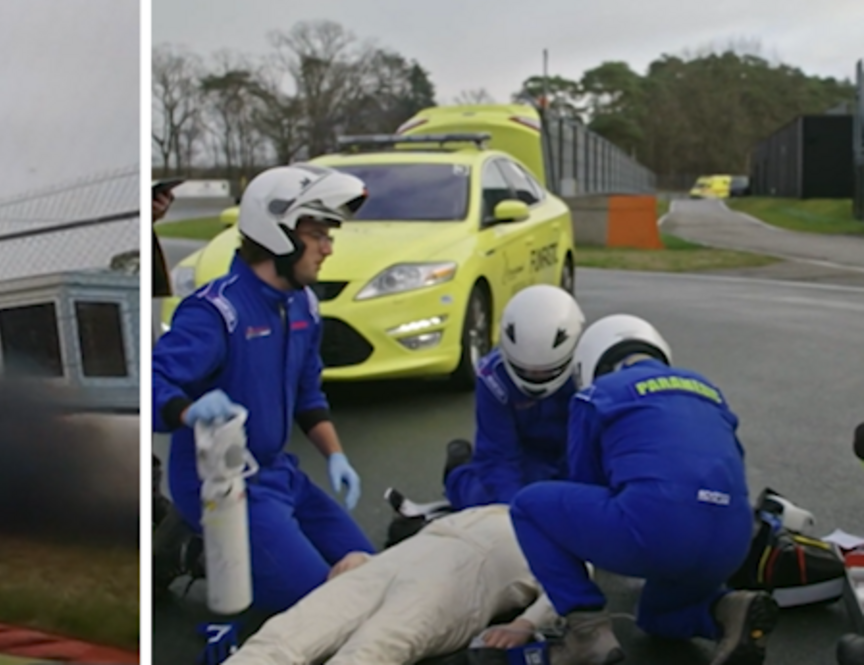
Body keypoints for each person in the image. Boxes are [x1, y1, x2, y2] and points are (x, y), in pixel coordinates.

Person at [152, 163, 374, 612]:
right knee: (320, 606)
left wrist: (336, 457)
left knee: (374, 569)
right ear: (280, 233)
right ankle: (195, 550)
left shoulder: (304, 305)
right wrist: (187, 411)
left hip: (279, 474)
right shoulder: (217, 312)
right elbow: (156, 379)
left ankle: (231, 556)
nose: (328, 249)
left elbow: (309, 395)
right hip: (223, 482)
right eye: (320, 235)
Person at [509, 314, 779, 665]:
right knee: (656, 618)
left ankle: (586, 632)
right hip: (731, 538)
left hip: (660, 527)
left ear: (590, 363)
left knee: (529, 506)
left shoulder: (596, 395)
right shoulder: (708, 390)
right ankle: (725, 609)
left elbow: (585, 483)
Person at [222, 504, 563, 665]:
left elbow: (563, 595)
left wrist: (524, 624)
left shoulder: (565, 540)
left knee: (369, 652)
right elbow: (422, 543)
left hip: (460, 584)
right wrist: (365, 560)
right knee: (289, 632)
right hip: (396, 563)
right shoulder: (493, 509)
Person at [442, 284, 585, 511]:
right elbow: (499, 457)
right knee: (485, 499)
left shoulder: (590, 370)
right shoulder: (492, 378)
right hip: (525, 457)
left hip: (574, 454)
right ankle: (458, 473)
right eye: (525, 370)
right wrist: (513, 513)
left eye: (548, 370)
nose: (537, 377)